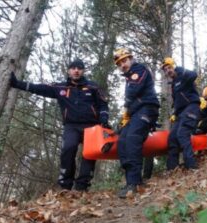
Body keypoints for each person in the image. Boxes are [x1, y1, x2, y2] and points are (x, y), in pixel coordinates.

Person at [9, 59, 110, 191]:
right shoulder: (60, 87)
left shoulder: (93, 87)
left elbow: (103, 104)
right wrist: (17, 84)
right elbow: (39, 88)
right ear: (69, 70)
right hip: (71, 126)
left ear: (83, 71)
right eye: (73, 68)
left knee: (90, 154)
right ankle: (65, 185)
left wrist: (104, 118)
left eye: (79, 68)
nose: (76, 70)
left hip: (91, 126)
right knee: (68, 149)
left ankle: (82, 186)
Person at [113, 48, 160, 198]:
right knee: (122, 141)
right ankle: (130, 181)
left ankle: (135, 183)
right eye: (119, 64)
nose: (123, 65)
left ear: (131, 59)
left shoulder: (139, 69)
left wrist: (126, 107)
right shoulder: (128, 77)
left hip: (147, 109)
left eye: (124, 61)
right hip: (136, 112)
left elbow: (134, 90)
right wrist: (125, 116)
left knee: (133, 139)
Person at [161, 57, 200, 170]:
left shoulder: (183, 75)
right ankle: (172, 169)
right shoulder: (173, 84)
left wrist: (180, 70)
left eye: (170, 67)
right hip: (181, 112)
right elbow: (177, 101)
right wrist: (175, 113)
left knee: (182, 134)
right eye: (166, 70)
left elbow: (194, 75)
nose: (168, 70)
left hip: (192, 107)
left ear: (174, 66)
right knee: (172, 138)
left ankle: (191, 165)